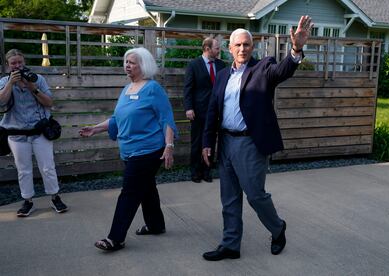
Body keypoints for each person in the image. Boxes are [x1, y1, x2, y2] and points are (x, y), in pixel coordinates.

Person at [201, 16, 313, 260]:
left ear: (253, 48)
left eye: (247, 45)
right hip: (226, 142)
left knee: (255, 194)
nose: (242, 49)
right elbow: (212, 111)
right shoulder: (221, 76)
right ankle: (230, 244)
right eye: (238, 45)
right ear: (230, 49)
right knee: (229, 198)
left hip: (250, 143)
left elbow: (282, 71)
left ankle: (277, 228)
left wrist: (296, 49)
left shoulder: (263, 68)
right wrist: (207, 143)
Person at [79, 47, 177, 251]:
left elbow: (166, 118)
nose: (127, 65)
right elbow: (117, 118)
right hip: (129, 149)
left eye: (132, 62)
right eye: (126, 61)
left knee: (130, 192)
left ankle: (115, 238)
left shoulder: (153, 89)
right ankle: (155, 225)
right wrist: (96, 129)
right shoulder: (127, 89)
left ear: (144, 65)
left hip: (148, 150)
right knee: (147, 189)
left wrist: (169, 146)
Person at [0, 49, 68, 217]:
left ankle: (54, 197)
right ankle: (27, 201)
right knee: (23, 169)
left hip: (40, 131)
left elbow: (49, 102)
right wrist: (10, 83)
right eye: (13, 63)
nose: (17, 66)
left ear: (24, 62)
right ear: (8, 66)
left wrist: (33, 88)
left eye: (20, 62)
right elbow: (1, 102)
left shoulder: (38, 79)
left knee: (47, 167)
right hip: (16, 134)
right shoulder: (3, 81)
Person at [183, 37, 226, 183]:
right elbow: (188, 88)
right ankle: (196, 172)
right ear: (207, 49)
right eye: (217, 48)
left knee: (211, 141)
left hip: (216, 111)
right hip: (198, 111)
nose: (219, 51)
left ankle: (208, 171)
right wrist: (188, 108)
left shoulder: (221, 65)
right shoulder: (194, 65)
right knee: (197, 143)